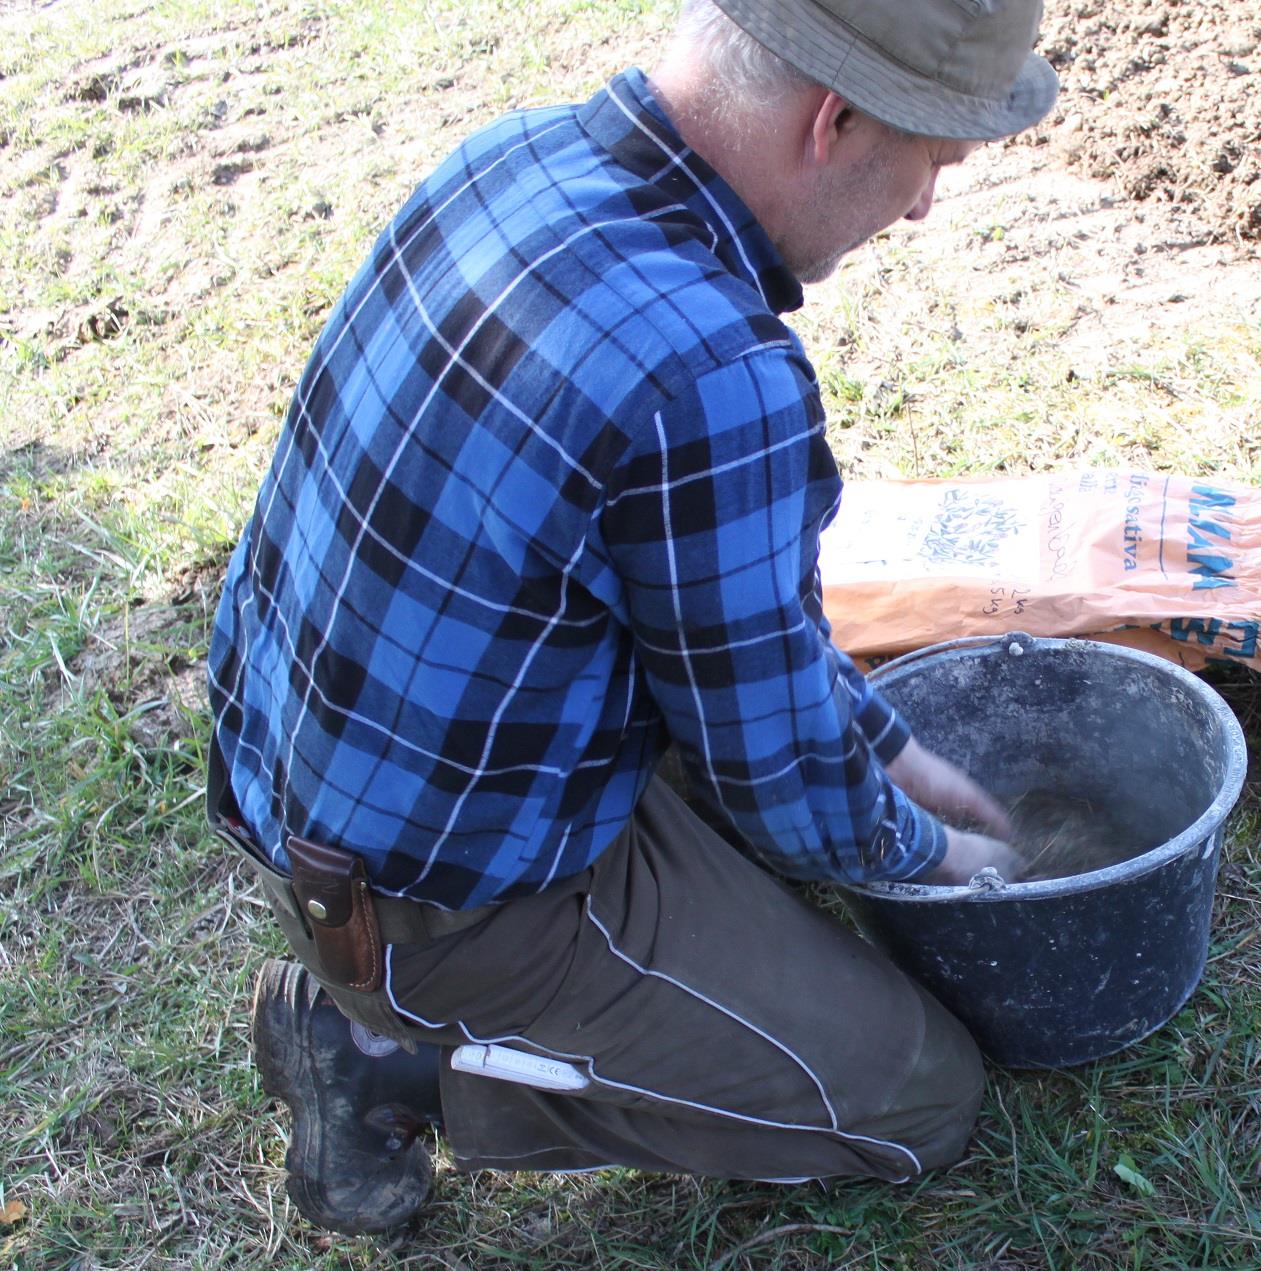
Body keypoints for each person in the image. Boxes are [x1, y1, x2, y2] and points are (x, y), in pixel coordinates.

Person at [208, 0, 1058, 1237]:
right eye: (934, 159)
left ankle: (418, 990)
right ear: (836, 118)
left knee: (803, 822)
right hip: (445, 908)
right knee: (913, 1094)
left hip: (318, 795)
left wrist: (893, 748)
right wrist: (958, 863)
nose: (923, 205)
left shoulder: (510, 156)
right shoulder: (710, 371)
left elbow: (730, 631)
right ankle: (389, 1056)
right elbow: (782, 782)